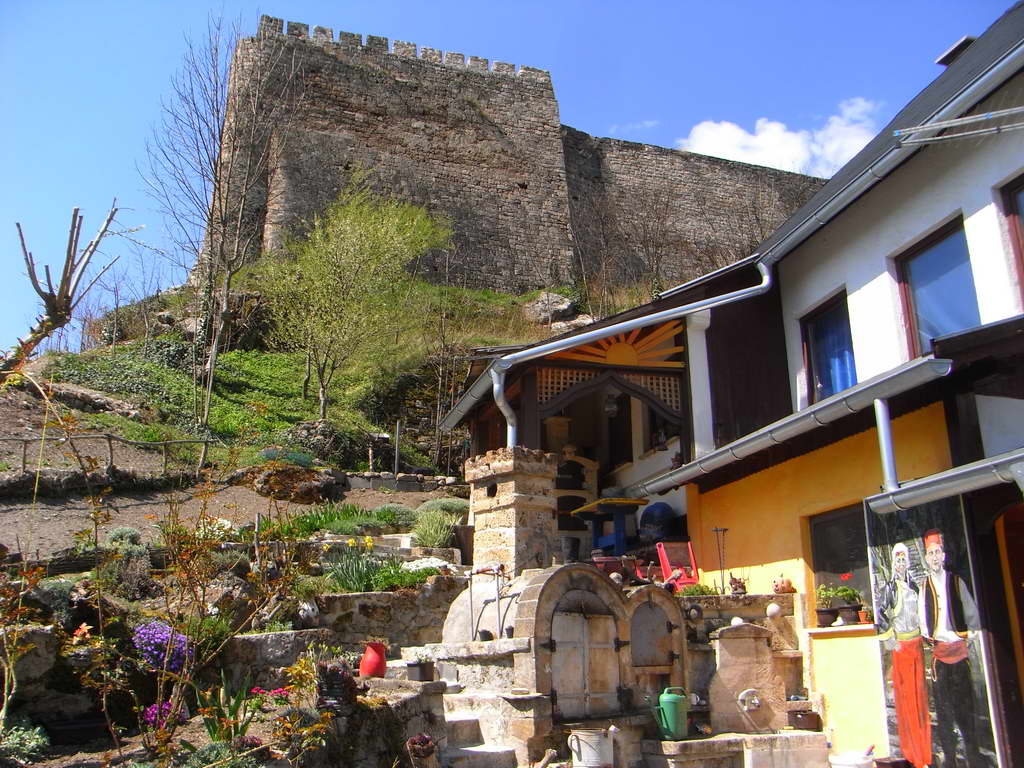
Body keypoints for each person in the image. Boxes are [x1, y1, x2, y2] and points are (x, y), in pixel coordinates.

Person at [918, 528, 981, 767]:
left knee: (966, 707)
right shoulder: (925, 587)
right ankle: (950, 759)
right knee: (944, 711)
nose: (934, 557)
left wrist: (969, 638)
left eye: (937, 552)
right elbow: (923, 621)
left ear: (943, 555)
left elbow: (971, 615)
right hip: (940, 654)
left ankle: (973, 755)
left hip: (959, 649)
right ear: (926, 558)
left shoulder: (956, 582)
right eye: (930, 553)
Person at [878, 543, 930, 768]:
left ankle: (924, 753)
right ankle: (912, 753)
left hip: (917, 644)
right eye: (897, 560)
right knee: (906, 699)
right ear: (893, 563)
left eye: (903, 560)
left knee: (921, 699)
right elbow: (881, 618)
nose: (901, 564)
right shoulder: (890, 588)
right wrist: (893, 644)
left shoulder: (915, 587)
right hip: (902, 648)